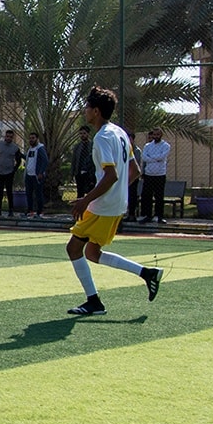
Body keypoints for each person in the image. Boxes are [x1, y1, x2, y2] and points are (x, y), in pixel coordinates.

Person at [63, 86, 162, 316]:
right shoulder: (120, 133)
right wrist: (117, 192)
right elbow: (135, 171)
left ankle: (94, 302)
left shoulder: (102, 137)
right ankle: (147, 273)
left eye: (87, 107)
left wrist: (85, 200)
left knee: (73, 248)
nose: (85, 110)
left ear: (96, 111)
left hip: (103, 206)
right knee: (92, 253)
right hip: (116, 205)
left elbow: (111, 175)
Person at [137, 127, 172, 224]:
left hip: (160, 174)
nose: (156, 136)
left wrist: (151, 158)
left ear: (161, 135)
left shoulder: (166, 146)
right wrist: (155, 159)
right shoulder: (147, 146)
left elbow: (162, 157)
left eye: (158, 135)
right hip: (149, 174)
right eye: (154, 135)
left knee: (159, 196)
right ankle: (147, 215)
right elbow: (144, 157)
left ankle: (158, 216)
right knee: (147, 196)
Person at [0, 128, 21, 216]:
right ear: (5, 136)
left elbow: (18, 161)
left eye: (10, 137)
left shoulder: (15, 148)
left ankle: (11, 210)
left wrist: (14, 170)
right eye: (7, 136)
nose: (8, 138)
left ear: (12, 138)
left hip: (9, 173)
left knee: (9, 191)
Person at [23, 131, 50, 218]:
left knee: (38, 194)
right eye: (30, 138)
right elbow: (29, 159)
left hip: (36, 175)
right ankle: (30, 210)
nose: (31, 140)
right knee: (29, 193)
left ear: (37, 139)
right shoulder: (30, 149)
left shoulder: (40, 149)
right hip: (29, 175)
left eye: (33, 138)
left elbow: (45, 161)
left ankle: (40, 211)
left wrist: (41, 172)